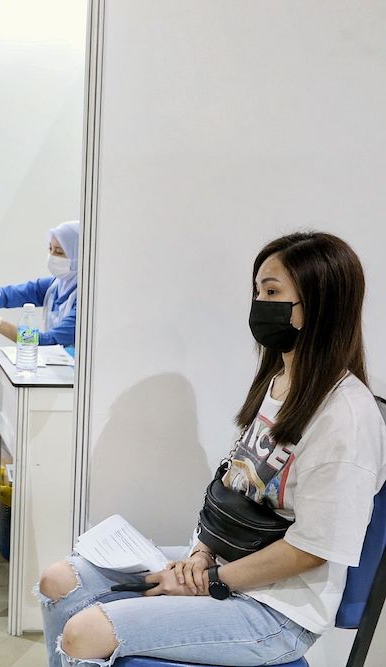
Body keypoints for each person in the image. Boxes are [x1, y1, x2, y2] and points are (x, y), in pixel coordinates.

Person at [36, 231, 385, 666]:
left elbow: (313, 547)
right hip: (222, 565)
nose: (259, 304)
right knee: (59, 580)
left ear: (318, 306)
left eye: (273, 292)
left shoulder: (346, 418)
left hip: (277, 613)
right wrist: (200, 554)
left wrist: (211, 578)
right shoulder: (278, 381)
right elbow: (234, 485)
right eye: (258, 291)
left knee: (85, 632)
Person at [0, 220, 80, 347]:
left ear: (79, 254)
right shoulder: (56, 285)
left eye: (59, 252)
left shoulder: (84, 302)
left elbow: (47, 340)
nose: (52, 256)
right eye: (50, 249)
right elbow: (11, 294)